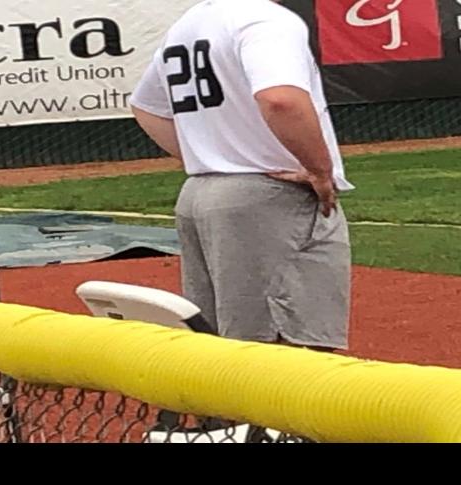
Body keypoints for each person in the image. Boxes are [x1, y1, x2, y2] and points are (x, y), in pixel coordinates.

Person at [129, 0, 351, 351]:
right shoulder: (264, 18)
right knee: (282, 346)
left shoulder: (190, 22)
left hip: (201, 193)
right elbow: (280, 99)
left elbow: (146, 107)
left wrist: (209, 154)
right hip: (269, 195)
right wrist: (319, 171)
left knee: (219, 342)